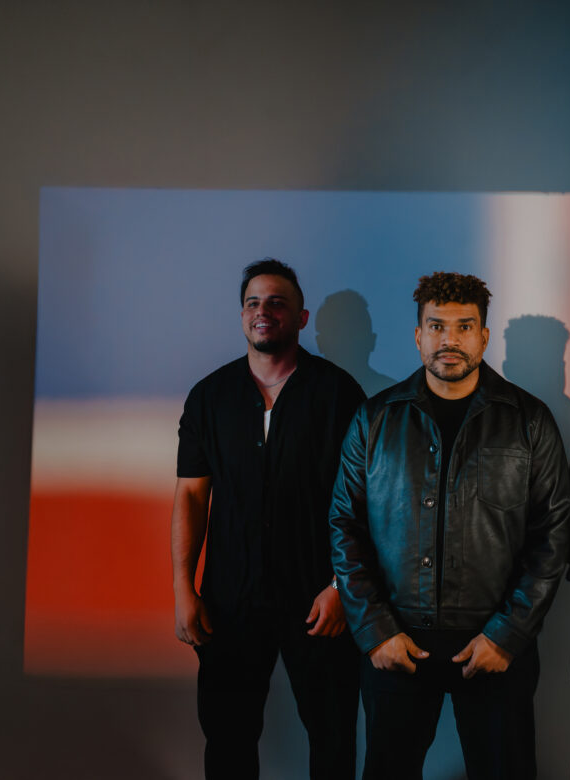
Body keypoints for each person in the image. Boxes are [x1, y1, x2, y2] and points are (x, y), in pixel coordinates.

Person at [329, 271, 570, 780]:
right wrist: (375, 631)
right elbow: (345, 526)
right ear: (418, 335)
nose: (450, 340)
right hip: (397, 639)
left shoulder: (529, 421)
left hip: (494, 639)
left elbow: (553, 534)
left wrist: (508, 634)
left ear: (484, 336)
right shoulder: (374, 420)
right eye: (437, 326)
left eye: (464, 327)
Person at [171, 258, 365, 779]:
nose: (264, 311)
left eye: (277, 302)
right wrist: (184, 588)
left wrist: (341, 587)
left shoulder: (339, 394)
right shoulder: (209, 397)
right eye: (254, 302)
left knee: (333, 739)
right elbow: (191, 498)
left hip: (319, 600)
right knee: (228, 741)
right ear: (242, 316)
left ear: (301, 318)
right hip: (230, 601)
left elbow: (365, 501)